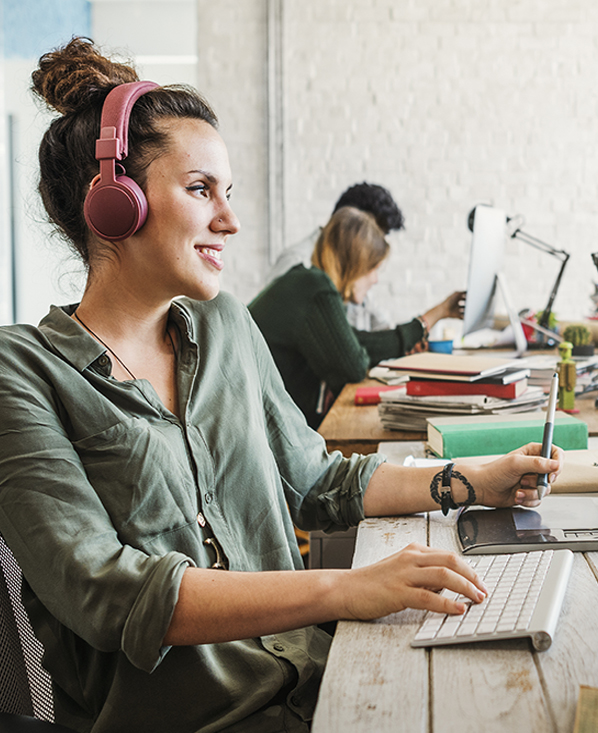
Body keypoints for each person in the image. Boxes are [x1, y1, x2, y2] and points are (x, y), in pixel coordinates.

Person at [0, 38, 560, 732]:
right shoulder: (21, 372)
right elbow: (108, 591)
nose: (230, 220)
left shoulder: (226, 325)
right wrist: (347, 589)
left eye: (228, 193)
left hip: (310, 685)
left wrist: (473, 479)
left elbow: (317, 479)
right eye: (202, 189)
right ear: (114, 202)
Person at [249, 206, 463, 428]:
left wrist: (430, 318)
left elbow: (353, 342)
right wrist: (426, 322)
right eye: (374, 269)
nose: (376, 280)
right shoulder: (315, 288)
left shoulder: (307, 283)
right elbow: (352, 365)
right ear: (356, 263)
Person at [270, 181, 406, 331]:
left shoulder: (352, 268)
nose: (376, 247)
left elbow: (374, 322)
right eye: (373, 235)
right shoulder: (296, 262)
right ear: (351, 224)